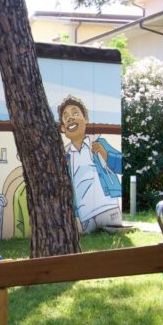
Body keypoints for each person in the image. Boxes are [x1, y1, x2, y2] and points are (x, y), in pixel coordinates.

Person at [57, 95, 122, 233]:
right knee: (91, 241)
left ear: (85, 119)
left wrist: (105, 154)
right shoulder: (65, 156)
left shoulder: (98, 143)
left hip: (108, 207)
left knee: (112, 239)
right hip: (85, 215)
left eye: (75, 113)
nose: (70, 118)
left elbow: (120, 166)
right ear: (63, 128)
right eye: (66, 117)